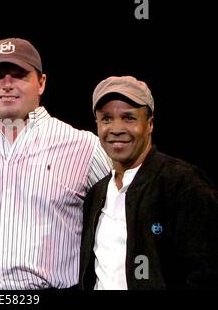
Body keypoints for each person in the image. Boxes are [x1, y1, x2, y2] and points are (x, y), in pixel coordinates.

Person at [0, 38, 111, 290]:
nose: (7, 84)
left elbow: (114, 232)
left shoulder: (84, 147)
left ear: (41, 83)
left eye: (19, 75)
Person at [79, 75, 218, 289]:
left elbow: (205, 274)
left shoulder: (183, 184)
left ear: (150, 124)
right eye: (106, 118)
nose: (116, 128)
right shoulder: (96, 194)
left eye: (129, 118)